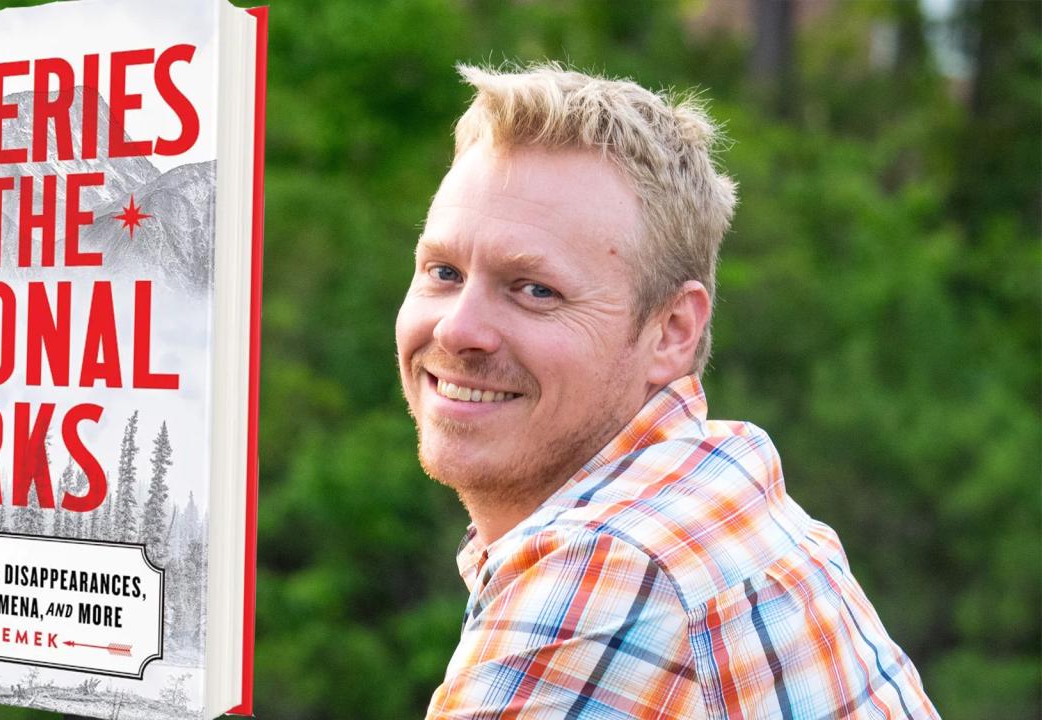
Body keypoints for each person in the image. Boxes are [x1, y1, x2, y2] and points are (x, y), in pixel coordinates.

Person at [395, 63, 939, 719]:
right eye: (443, 271)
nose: (458, 329)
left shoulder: (614, 569)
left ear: (672, 331)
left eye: (536, 290)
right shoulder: (716, 493)